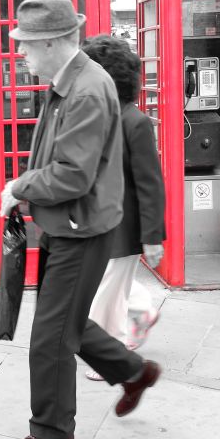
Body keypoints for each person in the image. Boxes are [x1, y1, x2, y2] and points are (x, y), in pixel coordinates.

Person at [0, 0, 161, 439]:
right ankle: (133, 372)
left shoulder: (87, 89)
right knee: (66, 320)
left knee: (49, 337)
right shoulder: (71, 79)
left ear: (51, 43)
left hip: (80, 227)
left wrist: (19, 186)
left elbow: (72, 173)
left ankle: (51, 431)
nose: (22, 54)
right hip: (68, 222)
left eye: (27, 46)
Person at [80, 36, 166, 381]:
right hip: (99, 222)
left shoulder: (136, 122)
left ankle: (111, 354)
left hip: (126, 227)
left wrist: (153, 236)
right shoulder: (102, 116)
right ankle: (143, 311)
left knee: (106, 294)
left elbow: (150, 183)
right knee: (110, 283)